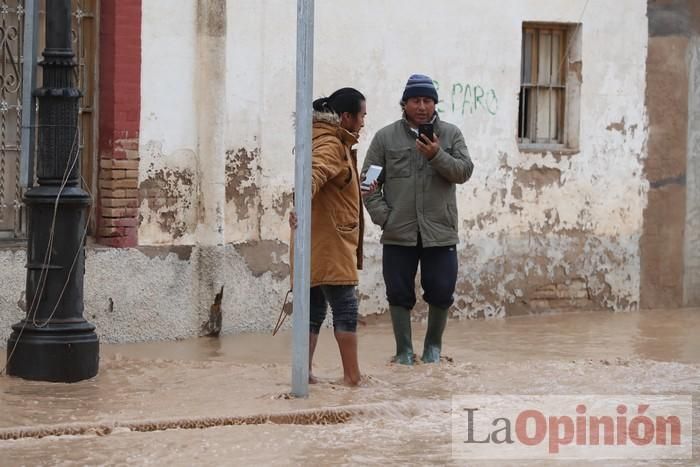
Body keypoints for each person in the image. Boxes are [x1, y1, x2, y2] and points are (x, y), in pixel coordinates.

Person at [362, 74, 474, 365]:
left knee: (441, 291)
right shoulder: (385, 138)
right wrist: (384, 217)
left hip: (440, 231)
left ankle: (433, 348)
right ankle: (404, 352)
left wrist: (437, 155)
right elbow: (368, 183)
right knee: (398, 292)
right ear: (404, 103)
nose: (421, 106)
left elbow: (463, 172)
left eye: (427, 100)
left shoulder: (450, 135)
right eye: (415, 100)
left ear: (435, 104)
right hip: (399, 231)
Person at [290, 87, 374, 386]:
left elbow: (330, 184)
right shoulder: (330, 144)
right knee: (346, 310)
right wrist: (300, 200)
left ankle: (304, 376)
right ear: (347, 117)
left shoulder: (322, 139)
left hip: (315, 241)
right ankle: (353, 378)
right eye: (362, 116)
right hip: (332, 244)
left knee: (313, 310)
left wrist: (357, 191)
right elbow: (314, 174)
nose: (364, 123)